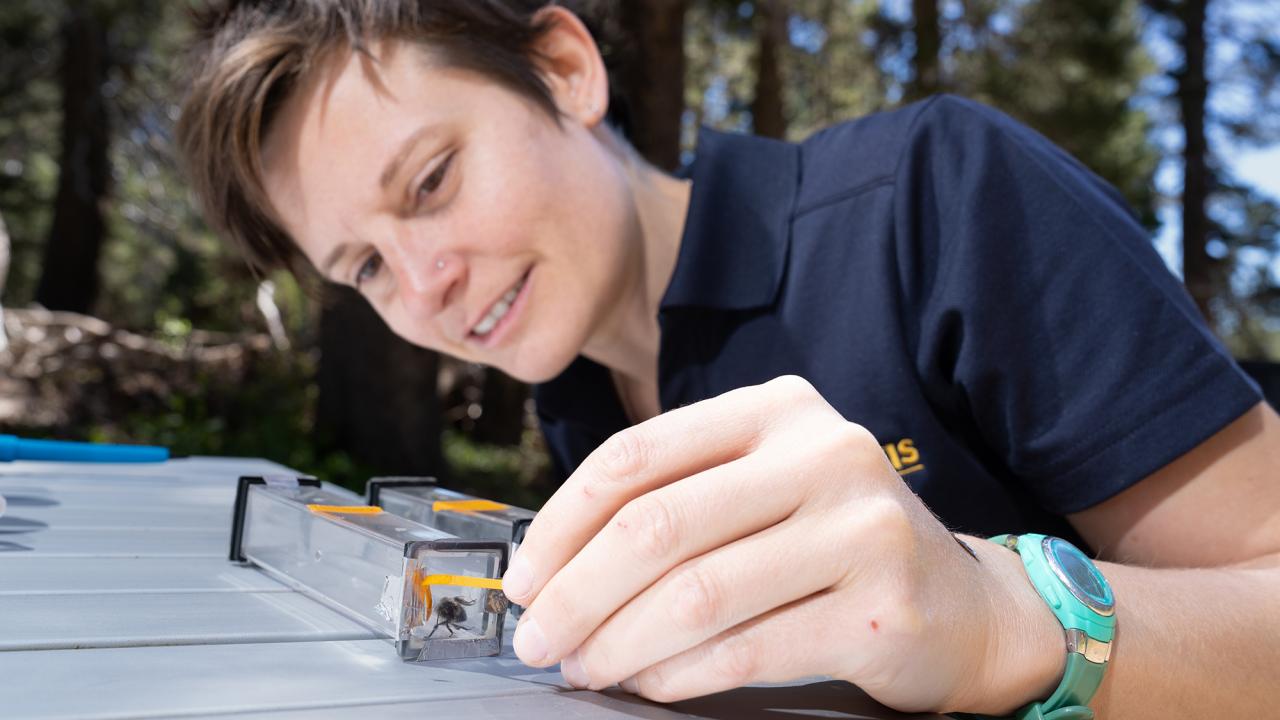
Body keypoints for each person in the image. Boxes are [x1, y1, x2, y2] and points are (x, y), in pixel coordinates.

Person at [177, 2, 1280, 718]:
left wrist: (998, 617)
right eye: (365, 266)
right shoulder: (573, 393)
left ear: (563, 70)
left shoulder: (938, 201)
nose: (423, 288)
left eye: (429, 183)